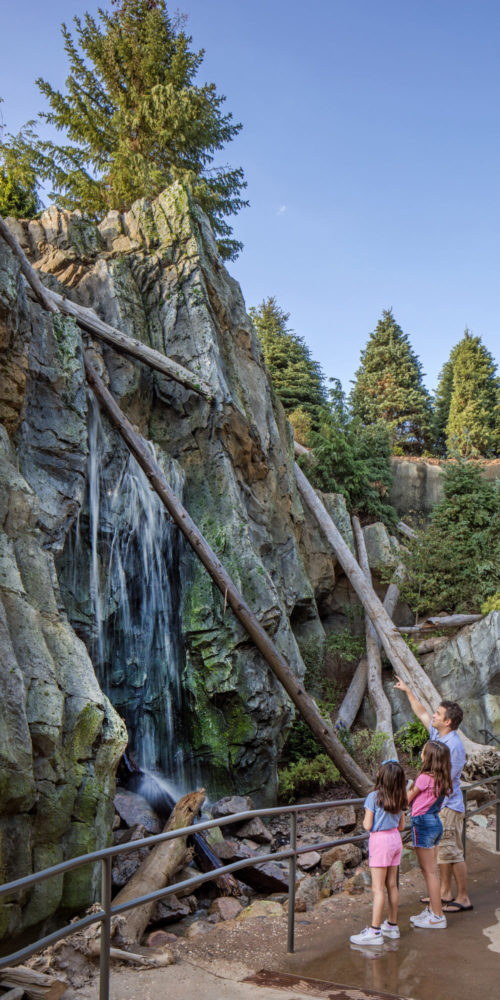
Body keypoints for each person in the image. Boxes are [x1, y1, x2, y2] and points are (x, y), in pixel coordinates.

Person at [394, 676, 473, 913]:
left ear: (448, 721)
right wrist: (408, 691)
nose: (434, 716)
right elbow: (422, 714)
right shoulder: (439, 735)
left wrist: (418, 791)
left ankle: (464, 897)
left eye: (438, 714)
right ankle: (444, 893)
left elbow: (444, 781)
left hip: (447, 805)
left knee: (452, 851)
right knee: (443, 852)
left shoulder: (453, 747)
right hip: (438, 806)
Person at [350, 760, 407, 946]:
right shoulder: (401, 796)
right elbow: (401, 826)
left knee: (377, 889)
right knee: (392, 885)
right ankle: (392, 926)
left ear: (380, 776)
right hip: (395, 840)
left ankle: (374, 931)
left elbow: (367, 825)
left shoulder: (373, 797)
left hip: (380, 842)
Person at [407, 740, 452, 928]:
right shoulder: (442, 778)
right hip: (435, 822)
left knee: (430, 872)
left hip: (423, 823)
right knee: (430, 870)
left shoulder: (425, 778)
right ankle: (433, 910)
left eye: (423, 751)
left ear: (429, 757)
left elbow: (407, 799)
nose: (421, 753)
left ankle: (438, 916)